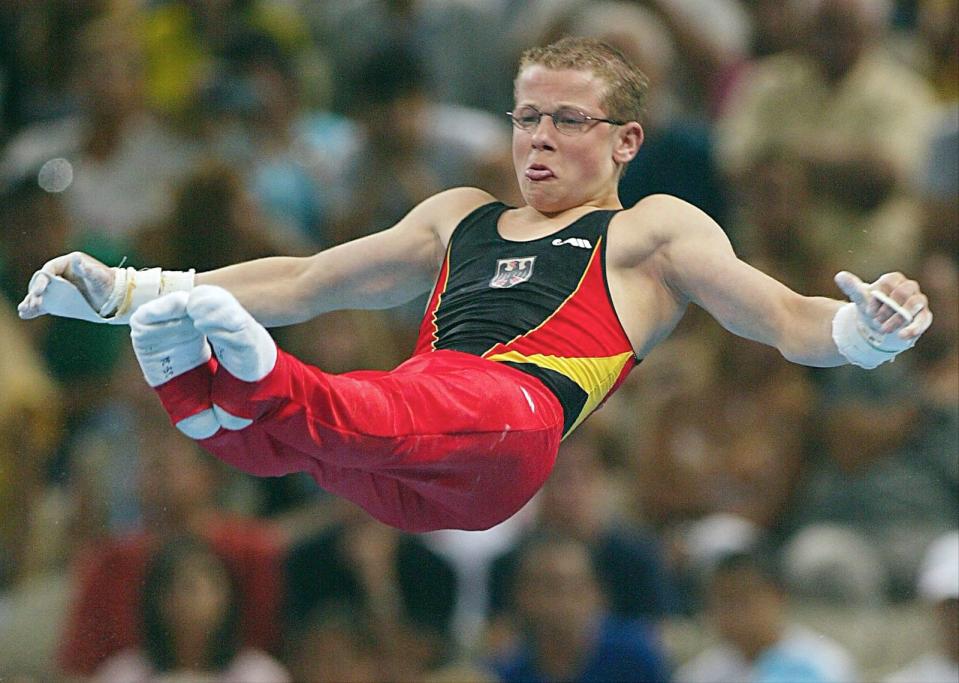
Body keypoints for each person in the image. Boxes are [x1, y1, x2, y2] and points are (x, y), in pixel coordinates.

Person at [17, 36, 933, 534]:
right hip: (418, 455)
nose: (536, 136)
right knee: (291, 446)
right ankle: (207, 395)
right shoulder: (456, 214)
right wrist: (131, 290)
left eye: (566, 119)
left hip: (514, 423)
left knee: (386, 401)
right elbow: (302, 278)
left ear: (625, 143)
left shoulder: (650, 230)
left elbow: (780, 316)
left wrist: (864, 331)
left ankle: (245, 377)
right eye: (525, 114)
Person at [674, 550, 858, 683]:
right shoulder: (697, 674)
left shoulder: (825, 664)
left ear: (778, 597)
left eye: (744, 599)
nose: (735, 613)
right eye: (724, 601)